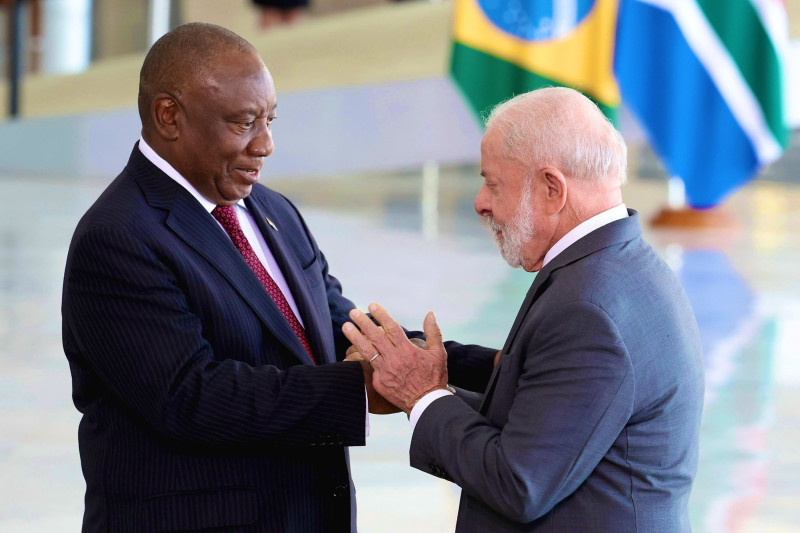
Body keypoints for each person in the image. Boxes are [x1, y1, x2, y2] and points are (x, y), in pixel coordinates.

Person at [343, 87, 705, 532]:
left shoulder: (587, 308)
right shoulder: (621, 265)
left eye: (493, 183)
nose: (480, 202)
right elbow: (549, 421)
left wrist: (423, 396)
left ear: (552, 188)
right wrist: (429, 385)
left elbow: (518, 483)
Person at [62, 22, 369, 533]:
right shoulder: (117, 236)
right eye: (243, 123)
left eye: (270, 120)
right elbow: (191, 397)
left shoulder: (273, 211)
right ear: (169, 116)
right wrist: (358, 390)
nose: (266, 144)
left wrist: (481, 368)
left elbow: (342, 329)